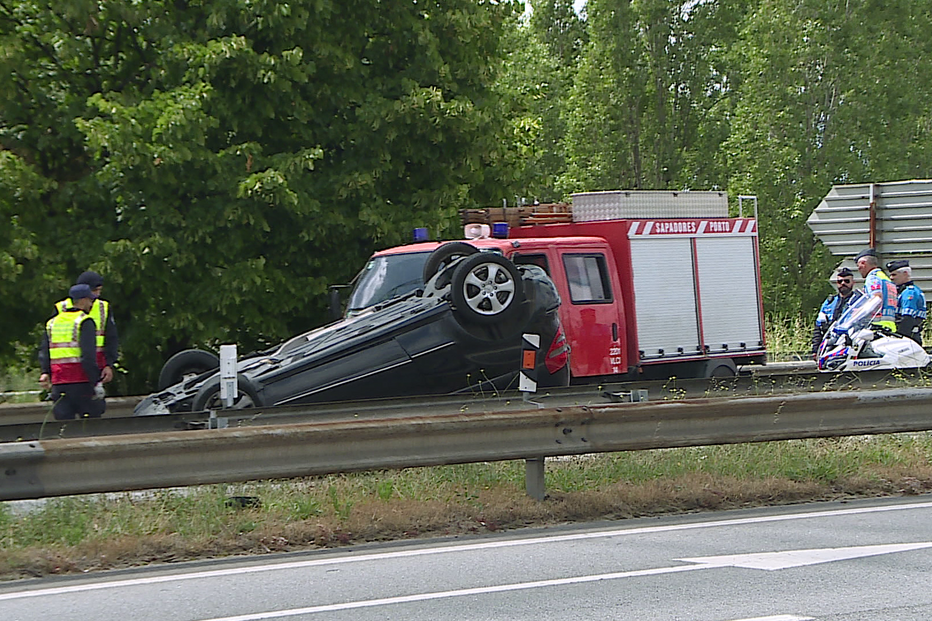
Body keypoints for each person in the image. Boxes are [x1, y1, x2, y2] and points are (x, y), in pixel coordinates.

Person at [39, 284, 106, 420]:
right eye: (90, 300)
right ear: (82, 300)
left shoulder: (53, 322)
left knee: (64, 428)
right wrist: (96, 382)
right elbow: (88, 356)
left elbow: (45, 350)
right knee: (90, 427)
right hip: (82, 382)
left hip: (59, 383)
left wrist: (45, 372)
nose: (91, 304)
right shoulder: (85, 321)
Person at [55, 270, 118, 384]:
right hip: (65, 372)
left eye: (99, 290)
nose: (97, 294)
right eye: (94, 290)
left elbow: (111, 338)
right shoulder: (61, 307)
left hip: (96, 368)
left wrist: (109, 364)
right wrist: (46, 371)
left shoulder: (103, 307)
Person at [812, 267, 863, 355]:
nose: (843, 283)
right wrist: (815, 349)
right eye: (840, 281)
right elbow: (818, 327)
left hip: (850, 345)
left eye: (847, 281)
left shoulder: (859, 301)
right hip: (830, 344)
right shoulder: (829, 302)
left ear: (853, 283)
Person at [855, 248, 897, 331]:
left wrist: (860, 311)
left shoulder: (873, 278)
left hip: (876, 327)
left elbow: (877, 298)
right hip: (890, 326)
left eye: (858, 266)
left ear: (863, 263)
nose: (858, 269)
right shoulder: (886, 279)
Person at [886, 259, 927, 345]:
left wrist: (899, 338)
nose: (891, 278)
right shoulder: (902, 291)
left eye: (894, 275)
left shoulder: (909, 292)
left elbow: (907, 319)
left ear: (905, 273)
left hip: (909, 338)